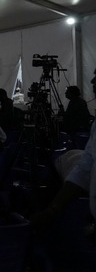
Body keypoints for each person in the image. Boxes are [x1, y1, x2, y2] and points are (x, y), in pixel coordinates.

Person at [34, 70, 96, 231]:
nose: (93, 82)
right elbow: (84, 170)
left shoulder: (77, 103)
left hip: (75, 132)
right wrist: (53, 210)